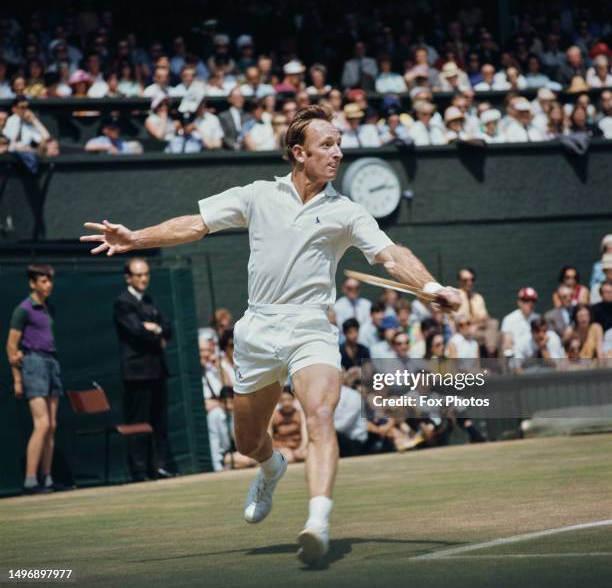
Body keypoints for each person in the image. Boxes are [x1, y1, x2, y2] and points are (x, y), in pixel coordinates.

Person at [80, 104, 460, 565]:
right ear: (299, 153)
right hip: (258, 329)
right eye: (327, 145)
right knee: (247, 440)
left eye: (339, 144)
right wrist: (135, 238)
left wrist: (432, 286)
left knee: (320, 414)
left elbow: (390, 254)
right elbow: (196, 225)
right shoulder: (257, 194)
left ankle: (317, 521)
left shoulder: (347, 211)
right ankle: (270, 466)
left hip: (311, 327)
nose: (338, 152)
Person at [113, 258, 174, 481]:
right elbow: (136, 331)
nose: (143, 278)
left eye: (146, 274)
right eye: (138, 275)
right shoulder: (123, 302)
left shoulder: (149, 300)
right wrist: (153, 331)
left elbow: (168, 328)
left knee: (159, 422)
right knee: (139, 422)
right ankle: (139, 471)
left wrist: (155, 327)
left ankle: (159, 467)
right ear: (128, 277)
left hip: (157, 370)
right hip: (136, 373)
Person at [6, 265, 63, 495]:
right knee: (42, 425)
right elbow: (11, 346)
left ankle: (47, 479)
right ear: (32, 283)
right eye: (43, 281)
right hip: (33, 364)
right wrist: (18, 380)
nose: (48, 285)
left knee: (52, 425)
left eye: (50, 280)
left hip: (51, 362)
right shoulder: (23, 309)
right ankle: (30, 480)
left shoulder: (48, 307)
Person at [501, 287, 540, 356]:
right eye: (526, 300)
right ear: (519, 302)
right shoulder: (509, 319)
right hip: (517, 356)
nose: (530, 303)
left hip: (535, 356)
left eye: (533, 300)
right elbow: (507, 342)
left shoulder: (538, 318)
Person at [271, 391, 307, 464]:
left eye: (288, 399)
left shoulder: (300, 414)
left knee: (308, 455)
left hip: (298, 445)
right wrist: (271, 448)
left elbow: (304, 431)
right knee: (289, 458)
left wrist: (303, 446)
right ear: (279, 401)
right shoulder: (274, 415)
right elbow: (269, 432)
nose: (286, 402)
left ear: (293, 399)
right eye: (283, 400)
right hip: (281, 446)